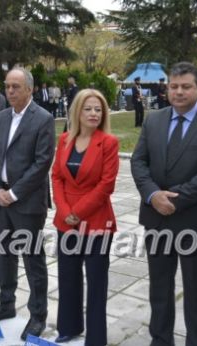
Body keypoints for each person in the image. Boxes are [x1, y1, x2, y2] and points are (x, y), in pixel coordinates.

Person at [130, 62, 197, 346]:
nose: (178, 92)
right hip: (156, 219)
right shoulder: (153, 120)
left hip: (195, 221)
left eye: (186, 86)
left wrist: (174, 199)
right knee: (159, 288)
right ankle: (160, 340)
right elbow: (139, 162)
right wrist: (153, 195)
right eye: (174, 86)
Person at [0, 68, 55, 340]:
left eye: (16, 86)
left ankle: (38, 316)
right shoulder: (0, 117)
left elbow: (42, 162)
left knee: (33, 260)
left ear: (30, 89)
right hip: (1, 201)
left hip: (27, 203)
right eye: (7, 86)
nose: (10, 91)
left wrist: (13, 193)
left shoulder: (43, 118)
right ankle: (6, 303)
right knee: (5, 255)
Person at [51, 88, 119, 345]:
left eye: (98, 109)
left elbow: (106, 185)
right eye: (88, 108)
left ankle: (96, 338)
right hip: (65, 220)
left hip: (97, 221)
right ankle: (68, 327)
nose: (93, 113)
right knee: (68, 277)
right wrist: (65, 211)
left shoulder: (109, 143)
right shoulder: (65, 139)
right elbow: (56, 176)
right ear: (77, 112)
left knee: (96, 281)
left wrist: (77, 213)